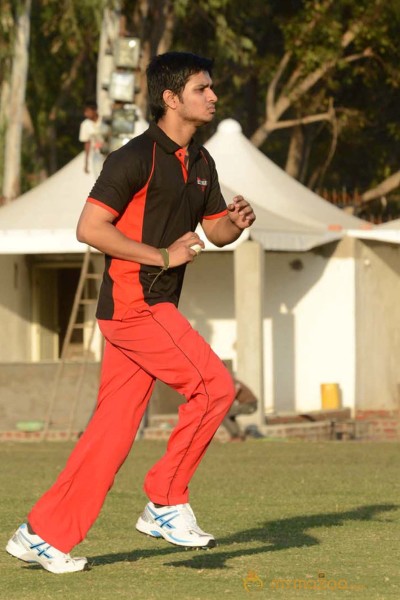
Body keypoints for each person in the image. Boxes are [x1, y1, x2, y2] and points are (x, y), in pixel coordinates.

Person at [6, 51, 256, 574]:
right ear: (170, 98)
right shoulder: (133, 157)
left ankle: (43, 535)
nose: (213, 96)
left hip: (146, 309)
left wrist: (235, 222)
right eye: (201, 88)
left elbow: (213, 233)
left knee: (112, 433)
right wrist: (163, 256)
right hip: (136, 305)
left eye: (212, 88)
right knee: (215, 387)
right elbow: (91, 229)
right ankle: (164, 500)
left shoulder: (202, 162)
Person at [79, 100, 104, 177]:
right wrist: (86, 162)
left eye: (88, 111)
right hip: (97, 154)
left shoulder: (105, 120)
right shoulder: (85, 125)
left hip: (110, 153)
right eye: (85, 112)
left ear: (94, 110)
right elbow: (87, 143)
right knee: (99, 178)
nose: (86, 114)